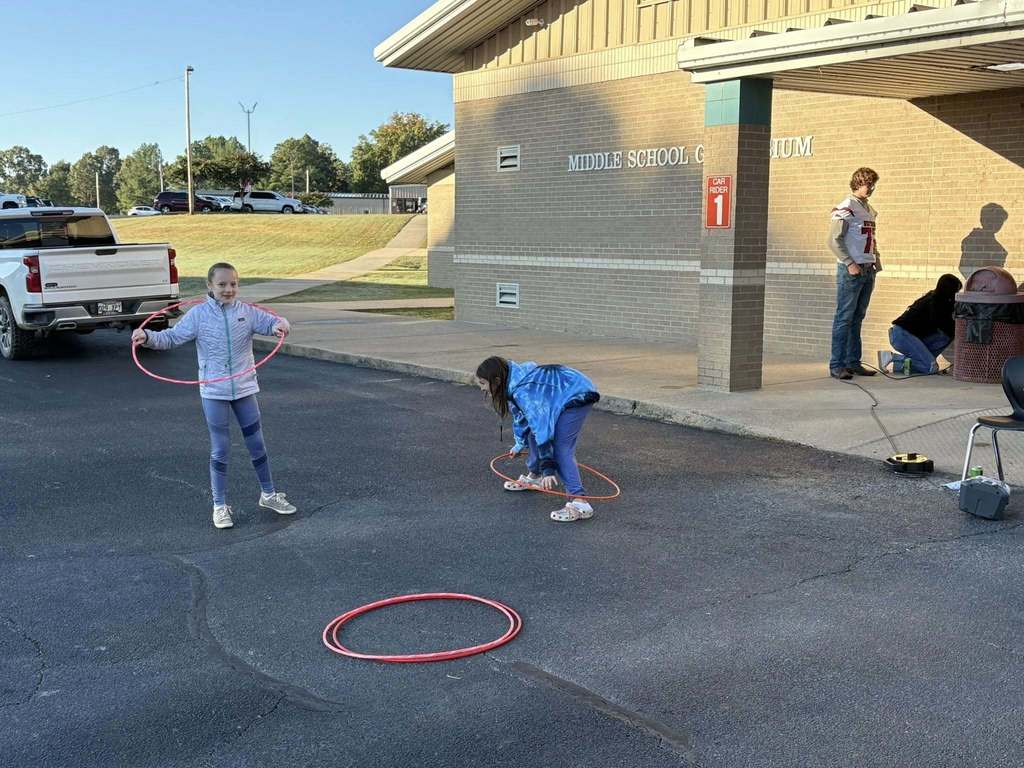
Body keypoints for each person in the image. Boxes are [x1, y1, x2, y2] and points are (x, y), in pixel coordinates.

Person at [131, 262, 296, 529]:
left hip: (244, 388)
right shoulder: (198, 315)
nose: (228, 289)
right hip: (214, 391)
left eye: (233, 284)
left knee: (257, 445)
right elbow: (172, 338)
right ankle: (220, 506)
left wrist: (281, 324)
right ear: (209, 286)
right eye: (221, 284)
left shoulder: (248, 312)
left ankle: (268, 494)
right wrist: (147, 336)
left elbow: (271, 324)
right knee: (220, 449)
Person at [476, 356, 600, 523]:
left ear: (497, 381)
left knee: (560, 449)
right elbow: (522, 417)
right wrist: (520, 443)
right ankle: (536, 476)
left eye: (483, 383)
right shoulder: (513, 386)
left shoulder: (524, 391)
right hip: (562, 393)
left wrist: (548, 467)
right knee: (532, 434)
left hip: (577, 394)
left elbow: (542, 427)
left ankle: (580, 502)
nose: (481, 389)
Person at [828, 167, 882, 381]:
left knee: (857, 317)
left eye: (872, 184)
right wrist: (850, 263)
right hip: (852, 269)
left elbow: (867, 238)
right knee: (844, 317)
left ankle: (853, 361)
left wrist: (876, 258)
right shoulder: (847, 206)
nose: (870, 188)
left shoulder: (867, 208)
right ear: (857, 183)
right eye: (867, 184)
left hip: (867, 268)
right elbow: (833, 240)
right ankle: (837, 364)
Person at [878, 274, 962, 375]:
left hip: (905, 335)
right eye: (956, 291)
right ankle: (891, 357)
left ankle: (899, 365)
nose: (956, 294)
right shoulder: (935, 303)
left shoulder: (938, 300)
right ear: (949, 291)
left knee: (927, 363)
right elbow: (944, 325)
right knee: (931, 367)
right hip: (902, 335)